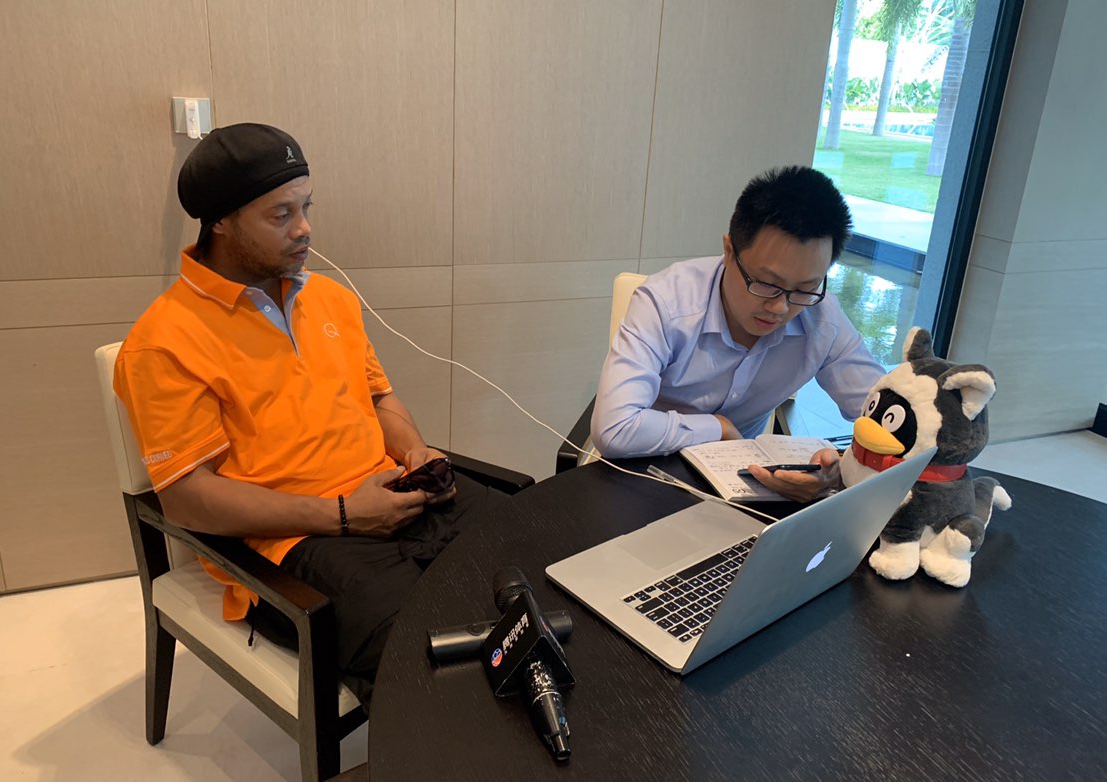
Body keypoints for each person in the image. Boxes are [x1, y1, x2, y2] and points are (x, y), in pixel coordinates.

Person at [114, 122, 508, 706]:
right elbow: (186, 498)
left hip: (392, 494)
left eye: (306, 207)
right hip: (294, 545)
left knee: (542, 568)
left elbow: (379, 399)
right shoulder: (164, 341)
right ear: (220, 221)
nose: (305, 229)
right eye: (281, 215)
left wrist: (414, 452)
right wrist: (344, 515)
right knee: (432, 670)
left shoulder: (329, 299)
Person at [591, 165, 885, 501]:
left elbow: (895, 421)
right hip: (643, 473)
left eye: (805, 288)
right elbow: (614, 428)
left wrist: (837, 468)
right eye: (766, 284)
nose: (780, 307)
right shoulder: (666, 303)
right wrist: (717, 428)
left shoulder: (822, 318)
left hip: (750, 486)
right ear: (729, 252)